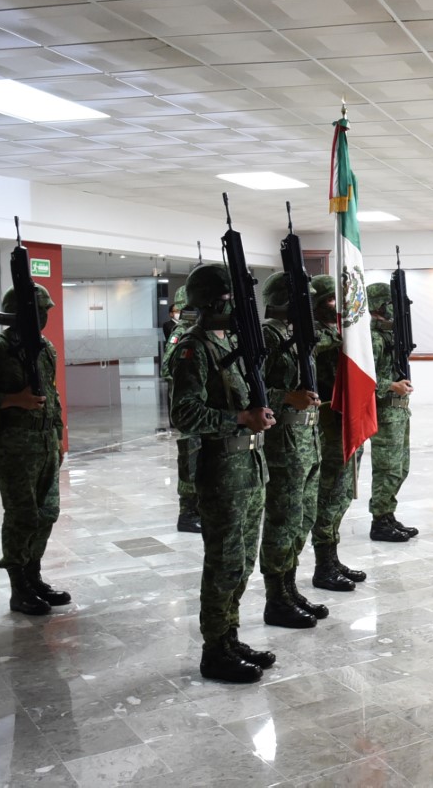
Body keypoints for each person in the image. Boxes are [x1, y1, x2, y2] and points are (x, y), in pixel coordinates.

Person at [170, 263, 276, 682]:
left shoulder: (233, 340)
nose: (241, 306)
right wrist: (238, 418)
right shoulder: (194, 348)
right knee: (224, 563)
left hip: (250, 465)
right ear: (213, 301)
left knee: (244, 560)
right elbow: (184, 414)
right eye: (233, 298)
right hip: (222, 470)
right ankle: (214, 650)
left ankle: (229, 637)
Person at [0, 284, 71, 616]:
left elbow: (51, 397)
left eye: (46, 312)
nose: (43, 318)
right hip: (14, 445)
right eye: (38, 312)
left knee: (47, 514)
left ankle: (33, 575)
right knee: (22, 516)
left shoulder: (45, 349)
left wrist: (58, 436)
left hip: (44, 444)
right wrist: (14, 400)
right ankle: (18, 587)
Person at [256, 272, 331, 629]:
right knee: (282, 521)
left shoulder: (295, 335)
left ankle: (289, 588)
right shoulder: (268, 336)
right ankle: (276, 598)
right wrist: (285, 397)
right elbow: (250, 391)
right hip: (283, 442)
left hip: (307, 440)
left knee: (302, 518)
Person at [309, 274, 368, 592]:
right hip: (325, 425)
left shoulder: (339, 330)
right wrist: (347, 335)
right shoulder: (312, 333)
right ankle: (323, 565)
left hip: (345, 420)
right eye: (330, 301)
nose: (335, 307)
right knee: (328, 496)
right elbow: (313, 346)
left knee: (342, 495)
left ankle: (332, 558)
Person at [366, 283, 418, 543]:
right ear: (379, 305)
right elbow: (361, 380)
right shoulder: (372, 339)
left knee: (400, 468)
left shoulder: (388, 335)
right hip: (384, 411)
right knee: (387, 468)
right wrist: (391, 386)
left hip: (399, 413)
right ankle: (379, 520)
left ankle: (388, 514)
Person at [161, 285, 201, 533]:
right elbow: (167, 369)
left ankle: (198, 510)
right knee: (190, 461)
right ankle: (187, 515)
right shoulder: (180, 334)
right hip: (188, 411)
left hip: (200, 411)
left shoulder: (198, 332)